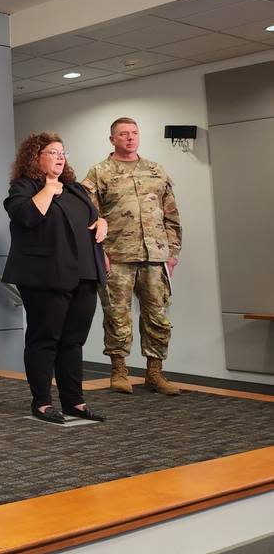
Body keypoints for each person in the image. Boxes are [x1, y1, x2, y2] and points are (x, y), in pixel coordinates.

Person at [3, 133, 108, 424]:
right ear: (35, 157)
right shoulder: (24, 187)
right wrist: (48, 189)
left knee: (73, 341)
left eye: (63, 152)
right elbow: (25, 216)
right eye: (52, 152)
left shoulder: (75, 189)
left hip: (84, 273)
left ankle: (74, 401)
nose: (60, 157)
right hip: (45, 276)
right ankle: (42, 402)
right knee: (44, 339)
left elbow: (91, 216)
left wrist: (102, 222)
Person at [82, 118, 183, 396]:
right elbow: (89, 219)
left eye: (134, 133)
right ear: (112, 139)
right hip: (116, 256)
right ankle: (119, 371)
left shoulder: (155, 170)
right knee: (117, 315)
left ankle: (155, 373)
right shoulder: (100, 172)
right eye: (123, 134)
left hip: (155, 256)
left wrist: (172, 253)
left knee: (158, 316)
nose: (130, 138)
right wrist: (97, 253)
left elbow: (171, 215)